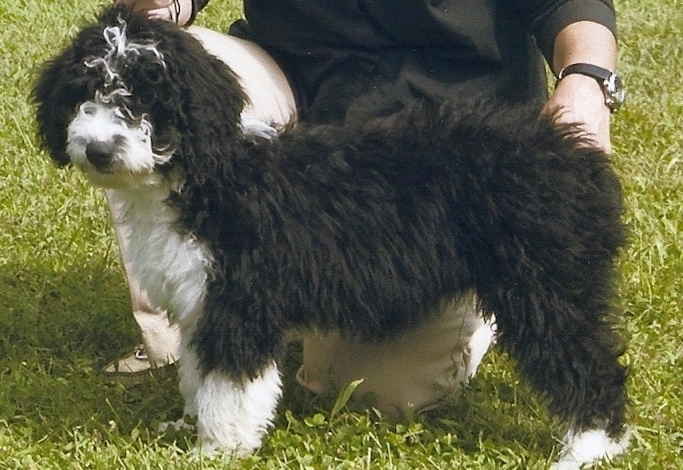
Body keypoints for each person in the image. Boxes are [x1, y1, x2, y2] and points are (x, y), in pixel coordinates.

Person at [108, 0, 624, 419]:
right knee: (145, 62)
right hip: (290, 94)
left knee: (368, 391)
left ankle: (468, 279)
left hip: (444, 154)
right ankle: (185, 328)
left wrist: (586, 79)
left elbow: (569, 4)